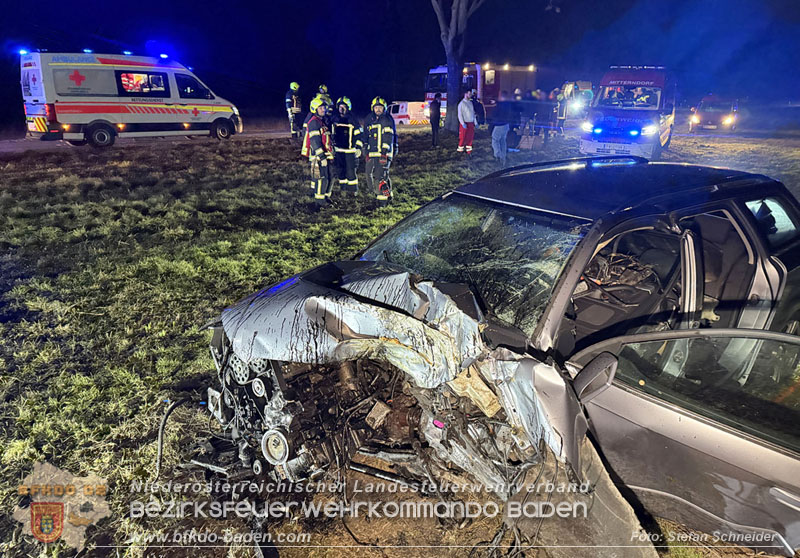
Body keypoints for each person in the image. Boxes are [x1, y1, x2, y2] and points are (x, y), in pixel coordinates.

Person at [301, 96, 334, 205]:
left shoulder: (322, 121)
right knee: (321, 178)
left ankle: (326, 198)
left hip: (326, 155)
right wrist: (322, 157)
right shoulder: (314, 122)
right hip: (319, 156)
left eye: (324, 107)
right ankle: (319, 202)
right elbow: (315, 142)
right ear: (314, 109)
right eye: (320, 108)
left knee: (329, 177)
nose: (323, 110)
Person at [364, 96, 396, 204]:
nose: (378, 109)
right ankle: (388, 196)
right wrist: (366, 151)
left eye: (380, 107)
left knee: (379, 177)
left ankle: (381, 201)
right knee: (382, 175)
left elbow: (388, 137)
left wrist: (384, 153)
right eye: (376, 107)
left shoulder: (387, 120)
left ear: (384, 108)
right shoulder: (370, 119)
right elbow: (367, 137)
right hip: (374, 154)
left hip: (384, 154)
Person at [330, 96, 363, 194]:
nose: (341, 109)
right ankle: (343, 189)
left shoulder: (353, 119)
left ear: (348, 107)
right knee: (340, 171)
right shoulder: (335, 119)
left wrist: (358, 147)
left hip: (350, 151)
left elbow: (359, 135)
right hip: (338, 150)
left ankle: (353, 191)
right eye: (340, 106)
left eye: (344, 106)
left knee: (350, 171)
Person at [491, 90, 515, 167]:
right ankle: (503, 158)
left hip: (499, 125)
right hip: (506, 125)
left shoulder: (500, 105)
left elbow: (495, 114)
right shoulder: (508, 104)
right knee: (503, 141)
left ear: (501, 96)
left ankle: (498, 156)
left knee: (495, 140)